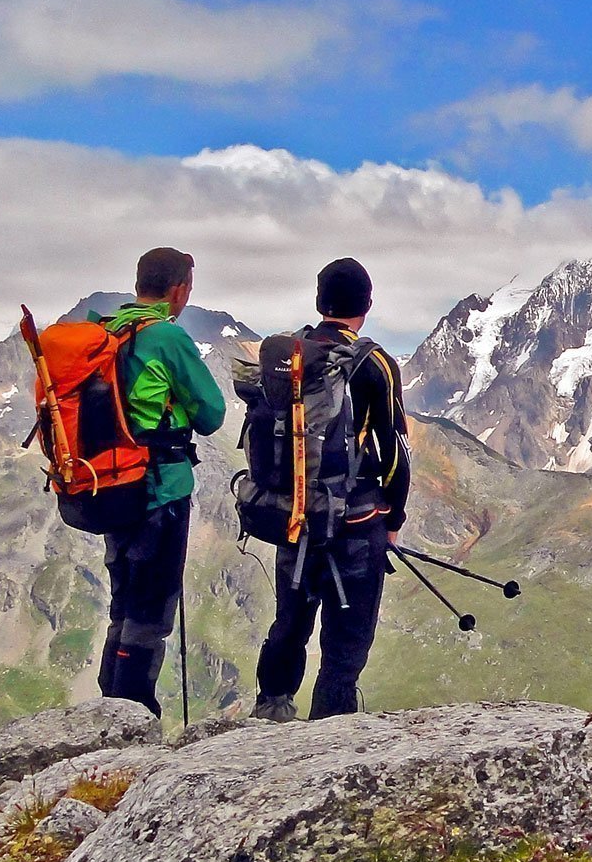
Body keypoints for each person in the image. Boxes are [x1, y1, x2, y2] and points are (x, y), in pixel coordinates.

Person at [251, 257, 411, 721]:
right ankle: (330, 739)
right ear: (367, 305)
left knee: (291, 621)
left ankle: (271, 710)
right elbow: (395, 451)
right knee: (345, 643)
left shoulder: (289, 357)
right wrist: (394, 521)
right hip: (356, 524)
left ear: (320, 302)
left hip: (295, 517)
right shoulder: (373, 361)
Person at [96, 247, 226, 717]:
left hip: (109, 483)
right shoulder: (167, 338)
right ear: (179, 289)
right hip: (160, 488)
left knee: (123, 600)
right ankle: (133, 711)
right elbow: (211, 414)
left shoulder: (107, 331)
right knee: (151, 605)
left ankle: (108, 705)